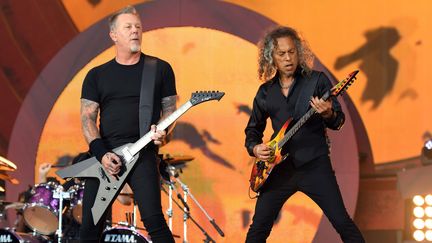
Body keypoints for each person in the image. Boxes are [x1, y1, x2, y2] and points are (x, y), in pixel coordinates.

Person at [244, 26, 365, 243]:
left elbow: (338, 121)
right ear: (271, 57)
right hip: (278, 169)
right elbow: (253, 130)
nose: (288, 58)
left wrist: (328, 113)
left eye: (292, 52)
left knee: (342, 222)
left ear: (299, 53)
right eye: (281, 54)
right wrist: (255, 147)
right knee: (258, 229)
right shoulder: (265, 92)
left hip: (314, 165)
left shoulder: (316, 81)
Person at [79, 5, 177, 243]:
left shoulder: (159, 68)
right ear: (114, 35)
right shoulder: (96, 75)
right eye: (128, 27)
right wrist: (102, 154)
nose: (135, 31)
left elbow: (170, 110)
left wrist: (163, 131)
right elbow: (87, 118)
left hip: (142, 152)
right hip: (105, 155)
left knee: (154, 221)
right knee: (90, 230)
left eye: (138, 27)